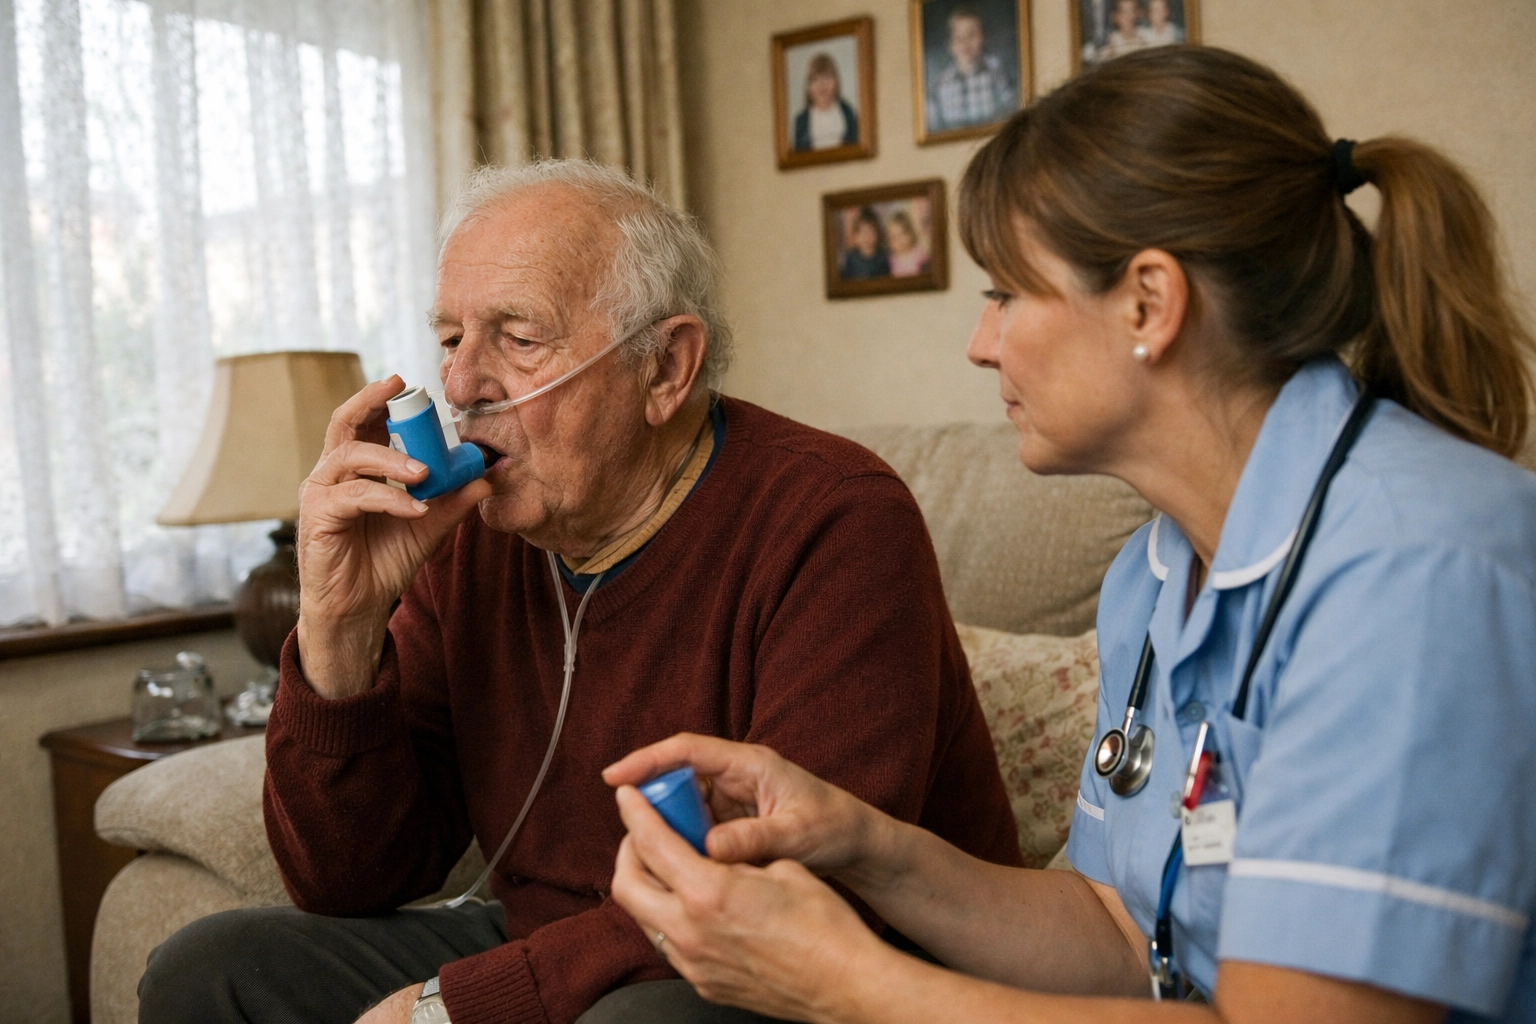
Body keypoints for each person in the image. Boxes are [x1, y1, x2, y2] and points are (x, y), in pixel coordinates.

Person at [601, 46, 1536, 1023]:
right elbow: (1121, 932)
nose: (980, 342)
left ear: (1149, 303)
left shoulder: (1416, 573)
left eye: (1006, 290)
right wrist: (860, 843)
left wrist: (849, 983)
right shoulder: (1153, 575)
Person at [135, 160, 1024, 1024]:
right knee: (213, 971)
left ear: (665, 370)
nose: (459, 386)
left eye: (518, 338)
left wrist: (456, 1008)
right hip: (557, 950)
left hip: (800, 969)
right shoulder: (471, 535)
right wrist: (342, 630)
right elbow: (350, 878)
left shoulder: (834, 518)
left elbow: (783, 886)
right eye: (451, 340)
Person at [927, 3, 1017, 133]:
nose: (965, 43)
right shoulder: (940, 84)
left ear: (983, 37)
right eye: (959, 37)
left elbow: (1011, 111)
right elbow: (936, 127)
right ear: (950, 45)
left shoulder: (996, 72)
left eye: (972, 35)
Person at [792, 52, 858, 152]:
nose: (822, 86)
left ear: (836, 82)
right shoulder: (801, 121)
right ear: (808, 87)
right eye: (815, 80)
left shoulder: (848, 113)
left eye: (827, 78)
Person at [839, 207, 890, 279]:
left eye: (870, 232)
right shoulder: (850, 258)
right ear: (855, 236)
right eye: (862, 232)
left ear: (877, 234)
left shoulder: (883, 257)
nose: (866, 237)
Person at [886, 211, 931, 278]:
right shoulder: (890, 261)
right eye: (894, 237)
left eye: (902, 234)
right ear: (889, 242)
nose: (899, 240)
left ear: (910, 233)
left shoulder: (919, 253)